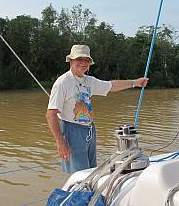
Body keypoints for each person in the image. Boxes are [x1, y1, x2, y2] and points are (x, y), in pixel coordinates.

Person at [46, 44, 148, 173]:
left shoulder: (89, 81)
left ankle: (89, 193)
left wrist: (134, 82)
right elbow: (51, 115)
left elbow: (111, 86)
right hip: (72, 131)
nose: (83, 63)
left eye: (86, 60)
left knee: (92, 171)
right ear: (71, 61)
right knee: (80, 174)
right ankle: (79, 193)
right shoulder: (62, 82)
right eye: (79, 59)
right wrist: (61, 143)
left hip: (89, 129)